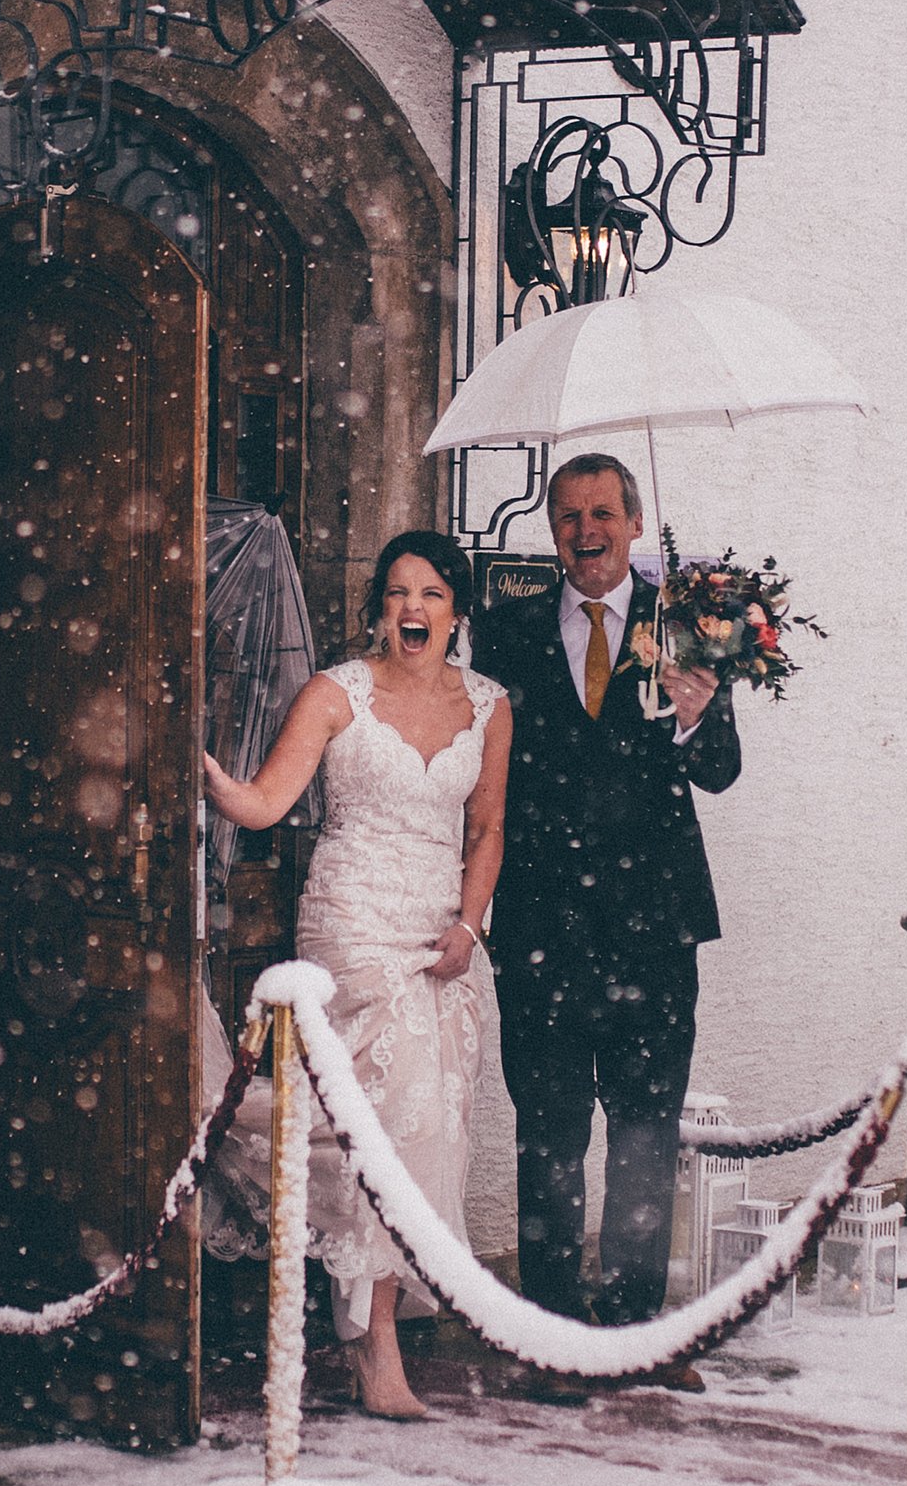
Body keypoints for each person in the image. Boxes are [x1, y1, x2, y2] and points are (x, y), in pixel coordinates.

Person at [202, 532, 508, 1420]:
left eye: (433, 595)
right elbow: (266, 803)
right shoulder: (337, 692)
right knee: (387, 1118)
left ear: (457, 612)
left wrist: (469, 924)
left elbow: (487, 832)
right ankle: (375, 1356)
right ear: (381, 607)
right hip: (352, 925)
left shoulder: (489, 707)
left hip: (439, 935)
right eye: (399, 593)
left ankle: (365, 1324)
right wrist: (209, 776)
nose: (413, 609)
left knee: (428, 1128)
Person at [475, 451, 739, 1394]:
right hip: (540, 927)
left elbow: (720, 773)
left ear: (634, 524)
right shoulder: (503, 635)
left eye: (602, 514)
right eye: (568, 517)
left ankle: (635, 1335)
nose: (585, 532)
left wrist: (698, 715)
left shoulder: (688, 627)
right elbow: (483, 780)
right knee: (547, 1134)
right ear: (553, 532)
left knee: (645, 1130)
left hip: (653, 927)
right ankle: (551, 1335)